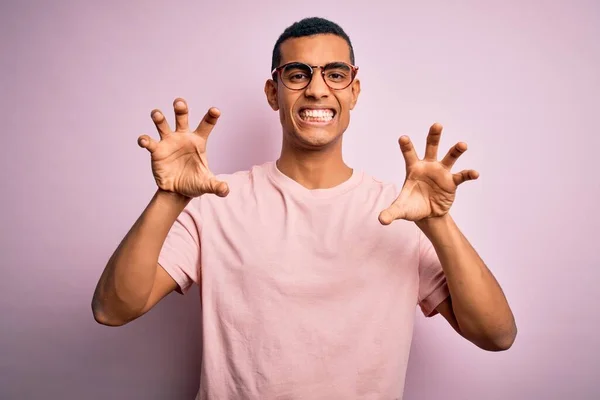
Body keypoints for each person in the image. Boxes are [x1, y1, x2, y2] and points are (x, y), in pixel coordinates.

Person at [92, 16, 517, 400]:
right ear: (273, 92)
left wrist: (438, 223)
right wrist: (169, 196)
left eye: (335, 74)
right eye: (298, 74)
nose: (317, 89)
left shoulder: (401, 213)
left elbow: (496, 335)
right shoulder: (215, 205)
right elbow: (112, 310)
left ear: (354, 91)